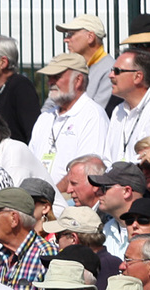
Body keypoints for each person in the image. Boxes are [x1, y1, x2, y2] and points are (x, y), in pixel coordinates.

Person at [30, 52, 110, 188]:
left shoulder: (92, 115)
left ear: (78, 80)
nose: (50, 82)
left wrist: (52, 196)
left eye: (57, 77)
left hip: (69, 200)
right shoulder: (45, 117)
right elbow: (30, 162)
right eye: (49, 77)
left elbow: (87, 170)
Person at [105, 49, 150, 166]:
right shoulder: (118, 110)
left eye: (117, 71)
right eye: (112, 70)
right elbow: (107, 158)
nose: (110, 75)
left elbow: (149, 162)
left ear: (138, 77)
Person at [55, 14, 114, 107]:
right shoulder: (72, 68)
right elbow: (51, 104)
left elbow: (96, 112)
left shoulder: (110, 70)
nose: (65, 39)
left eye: (71, 34)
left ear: (90, 37)